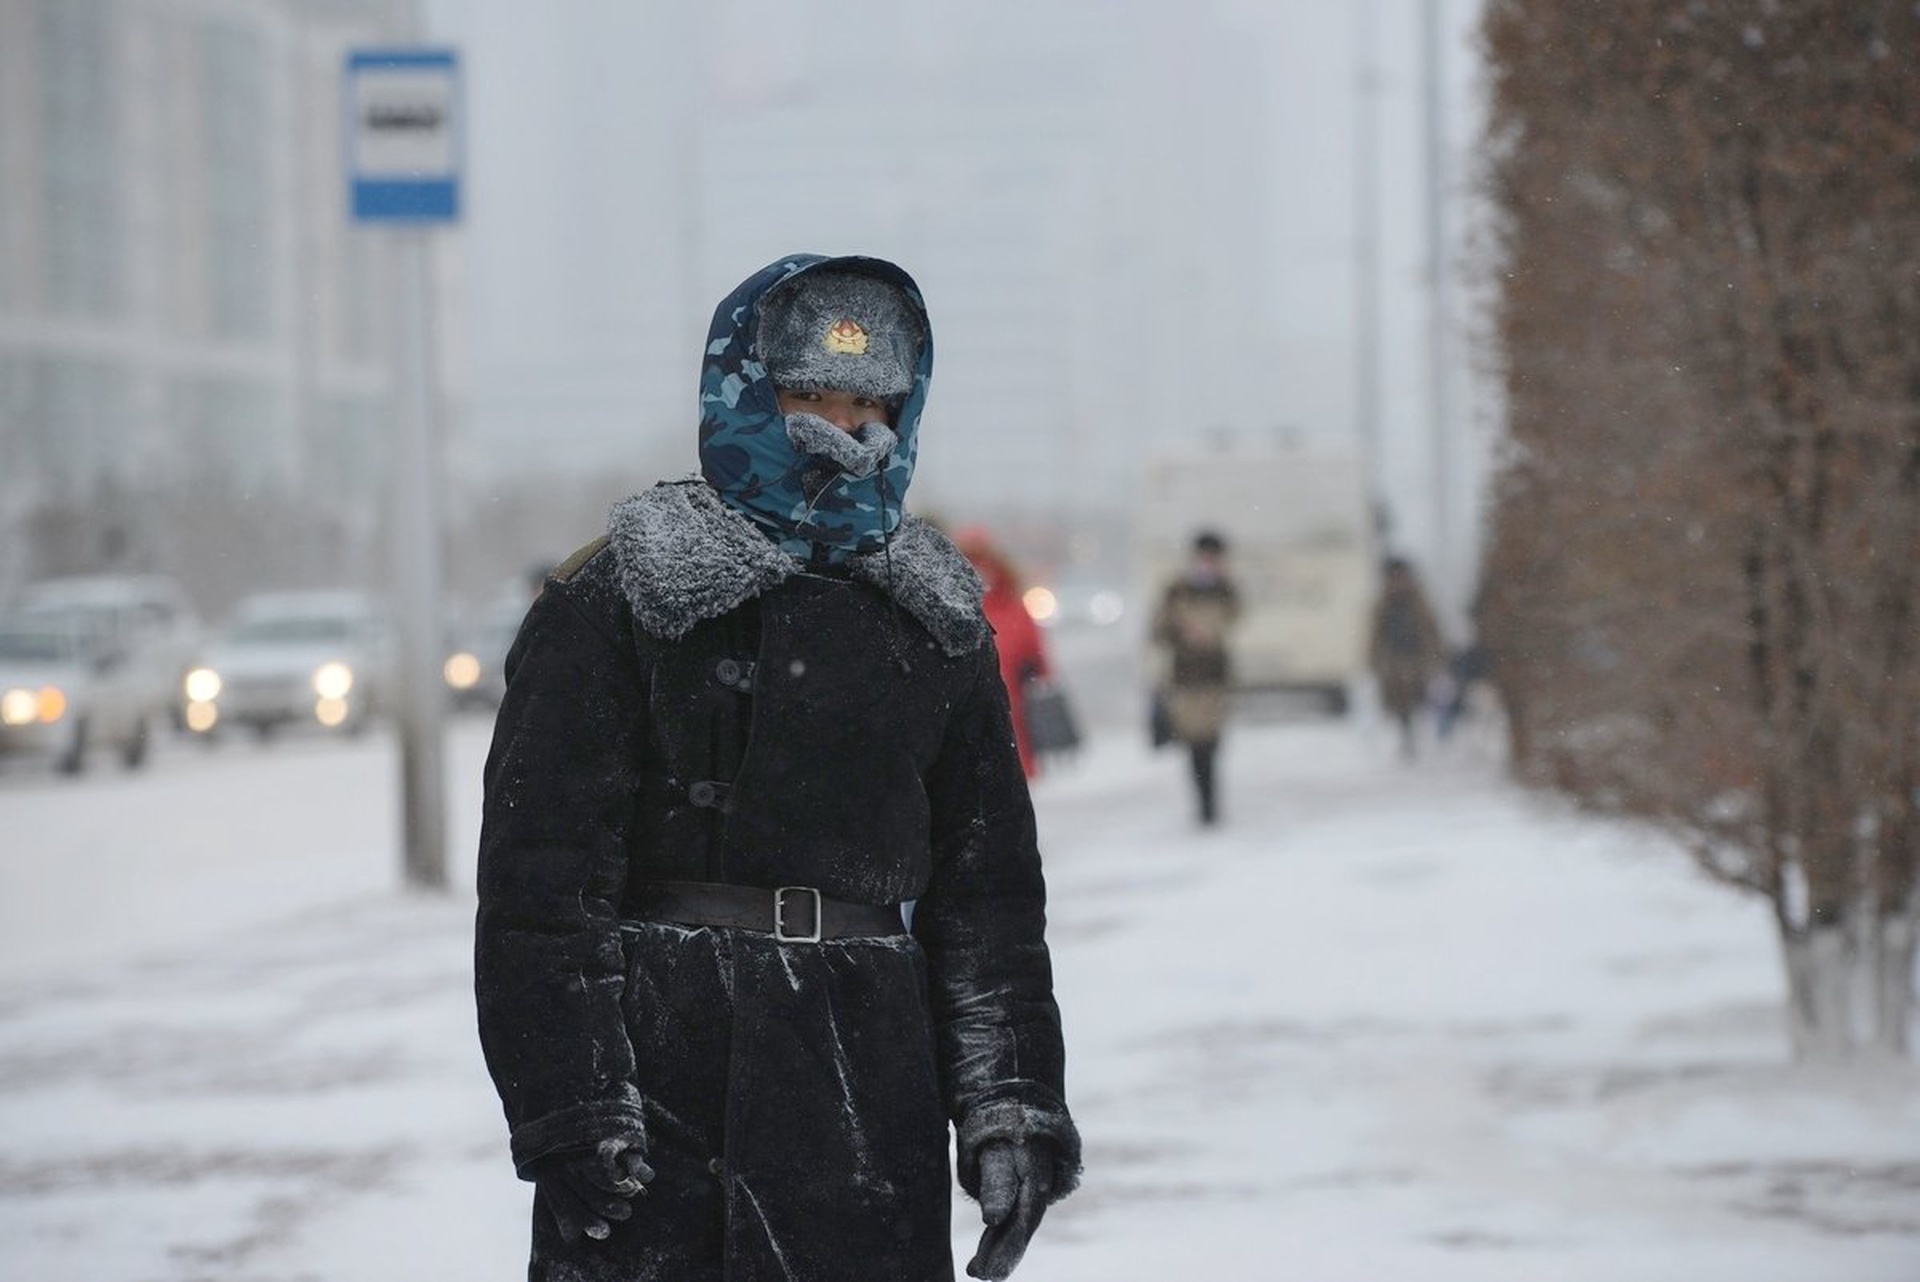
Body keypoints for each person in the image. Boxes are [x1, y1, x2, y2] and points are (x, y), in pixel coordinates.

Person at [473, 254, 1080, 1282]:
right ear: (747, 391)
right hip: (661, 1084)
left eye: (867, 405)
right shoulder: (621, 598)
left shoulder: (935, 619)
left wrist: (1008, 1103)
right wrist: (571, 1104)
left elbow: (988, 904)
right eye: (810, 395)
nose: (842, 432)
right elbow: (540, 889)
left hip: (863, 1089)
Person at [1151, 530, 1241, 825]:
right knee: (1196, 743)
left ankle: (1210, 803)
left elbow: (1235, 616)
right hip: (1186, 677)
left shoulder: (1225, 589)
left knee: (1211, 741)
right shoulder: (1178, 590)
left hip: (1215, 676)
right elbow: (1157, 630)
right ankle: (1205, 806)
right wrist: (1183, 632)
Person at [953, 525, 1052, 778]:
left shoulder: (1010, 606)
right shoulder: (955, 606)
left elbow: (1036, 657)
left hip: (1006, 712)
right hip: (978, 714)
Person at [1369, 555, 1446, 760]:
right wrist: (1374, 660)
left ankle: (1423, 734)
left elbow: (1431, 630)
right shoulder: (1384, 604)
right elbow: (1376, 635)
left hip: (1416, 658)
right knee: (1400, 701)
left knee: (1419, 698)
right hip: (1395, 658)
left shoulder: (1418, 602)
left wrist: (1436, 657)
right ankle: (1408, 735)